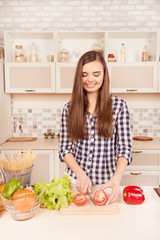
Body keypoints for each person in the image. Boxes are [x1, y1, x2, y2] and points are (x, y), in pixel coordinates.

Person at [59, 50, 132, 204]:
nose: (90, 79)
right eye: (84, 74)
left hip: (106, 183)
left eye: (96, 74)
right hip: (75, 181)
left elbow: (125, 148)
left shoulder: (119, 106)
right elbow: (65, 149)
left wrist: (116, 179)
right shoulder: (69, 108)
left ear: (104, 75)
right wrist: (80, 175)